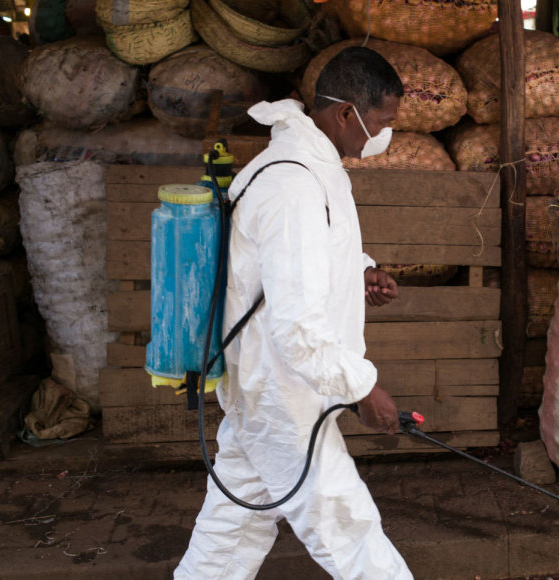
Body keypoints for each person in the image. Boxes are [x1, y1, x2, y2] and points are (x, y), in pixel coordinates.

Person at [174, 47, 412, 580]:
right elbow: (297, 327)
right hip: (280, 388)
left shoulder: (313, 166)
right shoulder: (293, 183)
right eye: (381, 122)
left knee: (232, 528)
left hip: (270, 384)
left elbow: (298, 260)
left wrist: (360, 272)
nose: (385, 135)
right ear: (346, 113)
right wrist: (362, 390)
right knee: (345, 525)